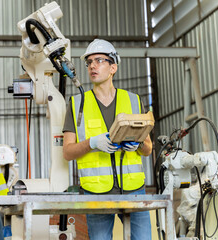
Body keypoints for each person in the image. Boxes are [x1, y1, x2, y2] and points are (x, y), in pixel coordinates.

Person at [62, 39, 152, 240]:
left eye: (99, 60)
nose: (92, 66)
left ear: (113, 67)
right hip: (96, 192)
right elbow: (67, 152)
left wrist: (138, 145)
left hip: (134, 190)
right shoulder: (77, 104)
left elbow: (148, 149)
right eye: (89, 62)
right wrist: (92, 143)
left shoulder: (134, 100)